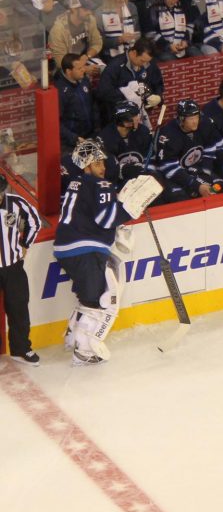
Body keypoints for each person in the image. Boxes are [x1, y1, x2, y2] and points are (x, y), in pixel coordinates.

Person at [54, 138, 160, 364]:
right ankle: (84, 351)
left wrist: (119, 204)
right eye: (97, 163)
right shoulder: (100, 185)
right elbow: (106, 218)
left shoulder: (75, 183)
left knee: (87, 297)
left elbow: (95, 213)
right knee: (98, 301)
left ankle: (72, 337)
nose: (103, 168)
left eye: (102, 162)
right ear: (86, 166)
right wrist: (131, 209)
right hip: (85, 249)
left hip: (66, 248)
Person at [0, 169, 45, 365]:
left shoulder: (16, 203)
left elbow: (35, 222)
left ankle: (21, 349)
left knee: (18, 309)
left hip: (13, 268)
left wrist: (25, 244)